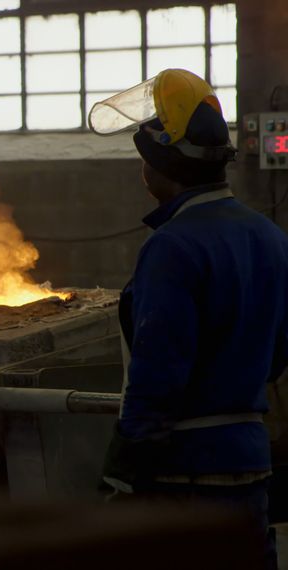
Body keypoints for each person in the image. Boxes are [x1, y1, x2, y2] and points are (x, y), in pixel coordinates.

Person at [92, 68, 288, 567]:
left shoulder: (172, 247)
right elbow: (278, 352)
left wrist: (122, 469)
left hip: (186, 477)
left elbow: (158, 376)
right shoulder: (268, 236)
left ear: (161, 163)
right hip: (249, 463)